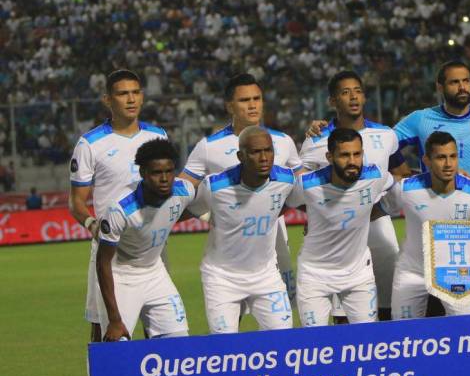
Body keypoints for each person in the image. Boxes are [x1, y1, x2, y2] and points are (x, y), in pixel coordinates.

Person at [180, 73, 302, 303]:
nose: (253, 104)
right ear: (229, 106)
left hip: (274, 238)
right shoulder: (208, 147)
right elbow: (182, 190)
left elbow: (304, 188)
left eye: (257, 98)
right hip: (231, 248)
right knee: (231, 312)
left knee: (281, 313)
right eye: (245, 100)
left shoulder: (284, 141)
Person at [300, 70, 411, 322]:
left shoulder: (385, 135)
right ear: (332, 101)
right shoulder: (316, 140)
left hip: (377, 223)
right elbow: (302, 188)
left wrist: (378, 209)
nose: (353, 97)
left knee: (384, 304)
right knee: (343, 313)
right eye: (345, 92)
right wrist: (320, 216)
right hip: (335, 232)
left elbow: (402, 175)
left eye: (358, 91)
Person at [69, 69, 167, 343]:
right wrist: (91, 224)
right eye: (123, 94)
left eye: (135, 92)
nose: (131, 99)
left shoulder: (157, 136)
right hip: (111, 249)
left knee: (160, 329)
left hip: (152, 247)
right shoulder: (90, 144)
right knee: (104, 328)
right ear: (107, 100)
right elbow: (77, 202)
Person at [376, 132, 470, 318]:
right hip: (413, 273)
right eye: (441, 157)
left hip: (458, 275)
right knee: (404, 335)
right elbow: (374, 212)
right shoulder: (406, 189)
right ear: (426, 160)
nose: (448, 164)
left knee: (469, 333)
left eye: (452, 156)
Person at [187, 127, 295, 333]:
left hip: (266, 276)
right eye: (256, 152)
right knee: (226, 347)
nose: (264, 158)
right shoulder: (214, 186)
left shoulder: (286, 180)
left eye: (268, 150)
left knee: (284, 339)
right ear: (240, 156)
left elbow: (298, 202)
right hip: (222, 278)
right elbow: (189, 208)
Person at [286, 128, 395, 326]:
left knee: (367, 340)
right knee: (314, 343)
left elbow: (401, 186)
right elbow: (288, 202)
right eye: (345, 155)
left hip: (359, 274)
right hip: (314, 275)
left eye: (357, 154)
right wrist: (315, 213)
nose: (352, 161)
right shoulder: (307, 185)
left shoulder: (377, 176)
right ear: (329, 157)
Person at [96, 138, 193, 342]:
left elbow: (189, 209)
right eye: (157, 173)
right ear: (143, 173)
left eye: (169, 171)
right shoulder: (120, 209)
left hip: (155, 274)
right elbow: (103, 262)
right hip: (122, 277)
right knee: (118, 347)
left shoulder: (184, 191)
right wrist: (114, 318)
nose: (165, 178)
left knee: (179, 341)